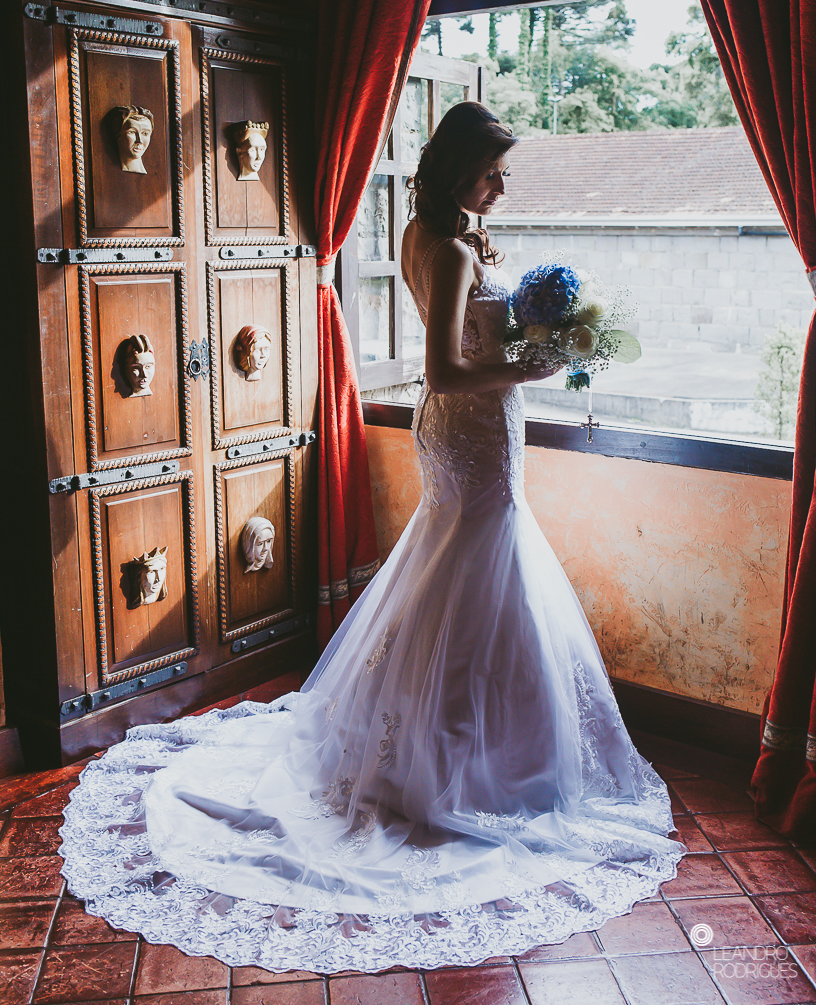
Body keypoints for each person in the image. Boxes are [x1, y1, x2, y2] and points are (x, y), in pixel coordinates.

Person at [60, 101, 685, 975]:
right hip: (470, 422)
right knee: (476, 565)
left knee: (455, 568)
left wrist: (532, 339)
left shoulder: (421, 238)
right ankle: (465, 765)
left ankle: (433, 742)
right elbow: (445, 366)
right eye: (492, 171)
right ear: (460, 167)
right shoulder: (459, 249)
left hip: (458, 432)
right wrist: (532, 364)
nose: (502, 186)